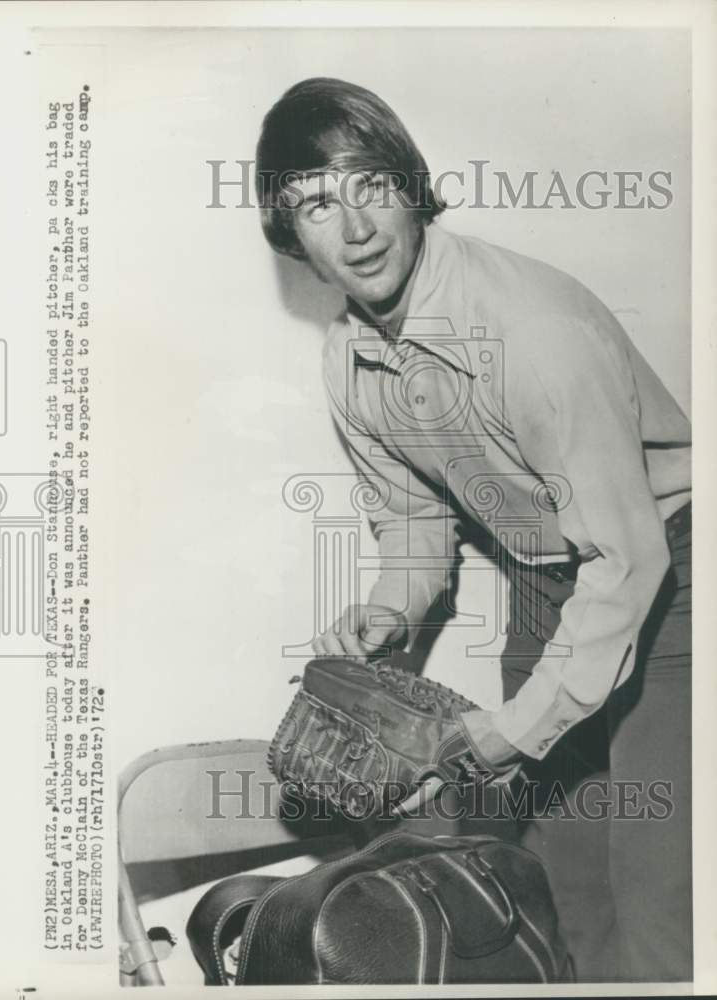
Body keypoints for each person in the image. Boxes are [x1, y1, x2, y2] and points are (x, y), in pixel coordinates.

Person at [255, 77, 692, 982]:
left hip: (673, 580)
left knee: (658, 895)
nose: (356, 228)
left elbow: (628, 560)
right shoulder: (350, 356)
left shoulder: (535, 331)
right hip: (542, 581)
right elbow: (418, 518)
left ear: (411, 189)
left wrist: (514, 730)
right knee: (567, 887)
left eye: (371, 185)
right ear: (290, 235)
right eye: (316, 205)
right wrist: (390, 612)